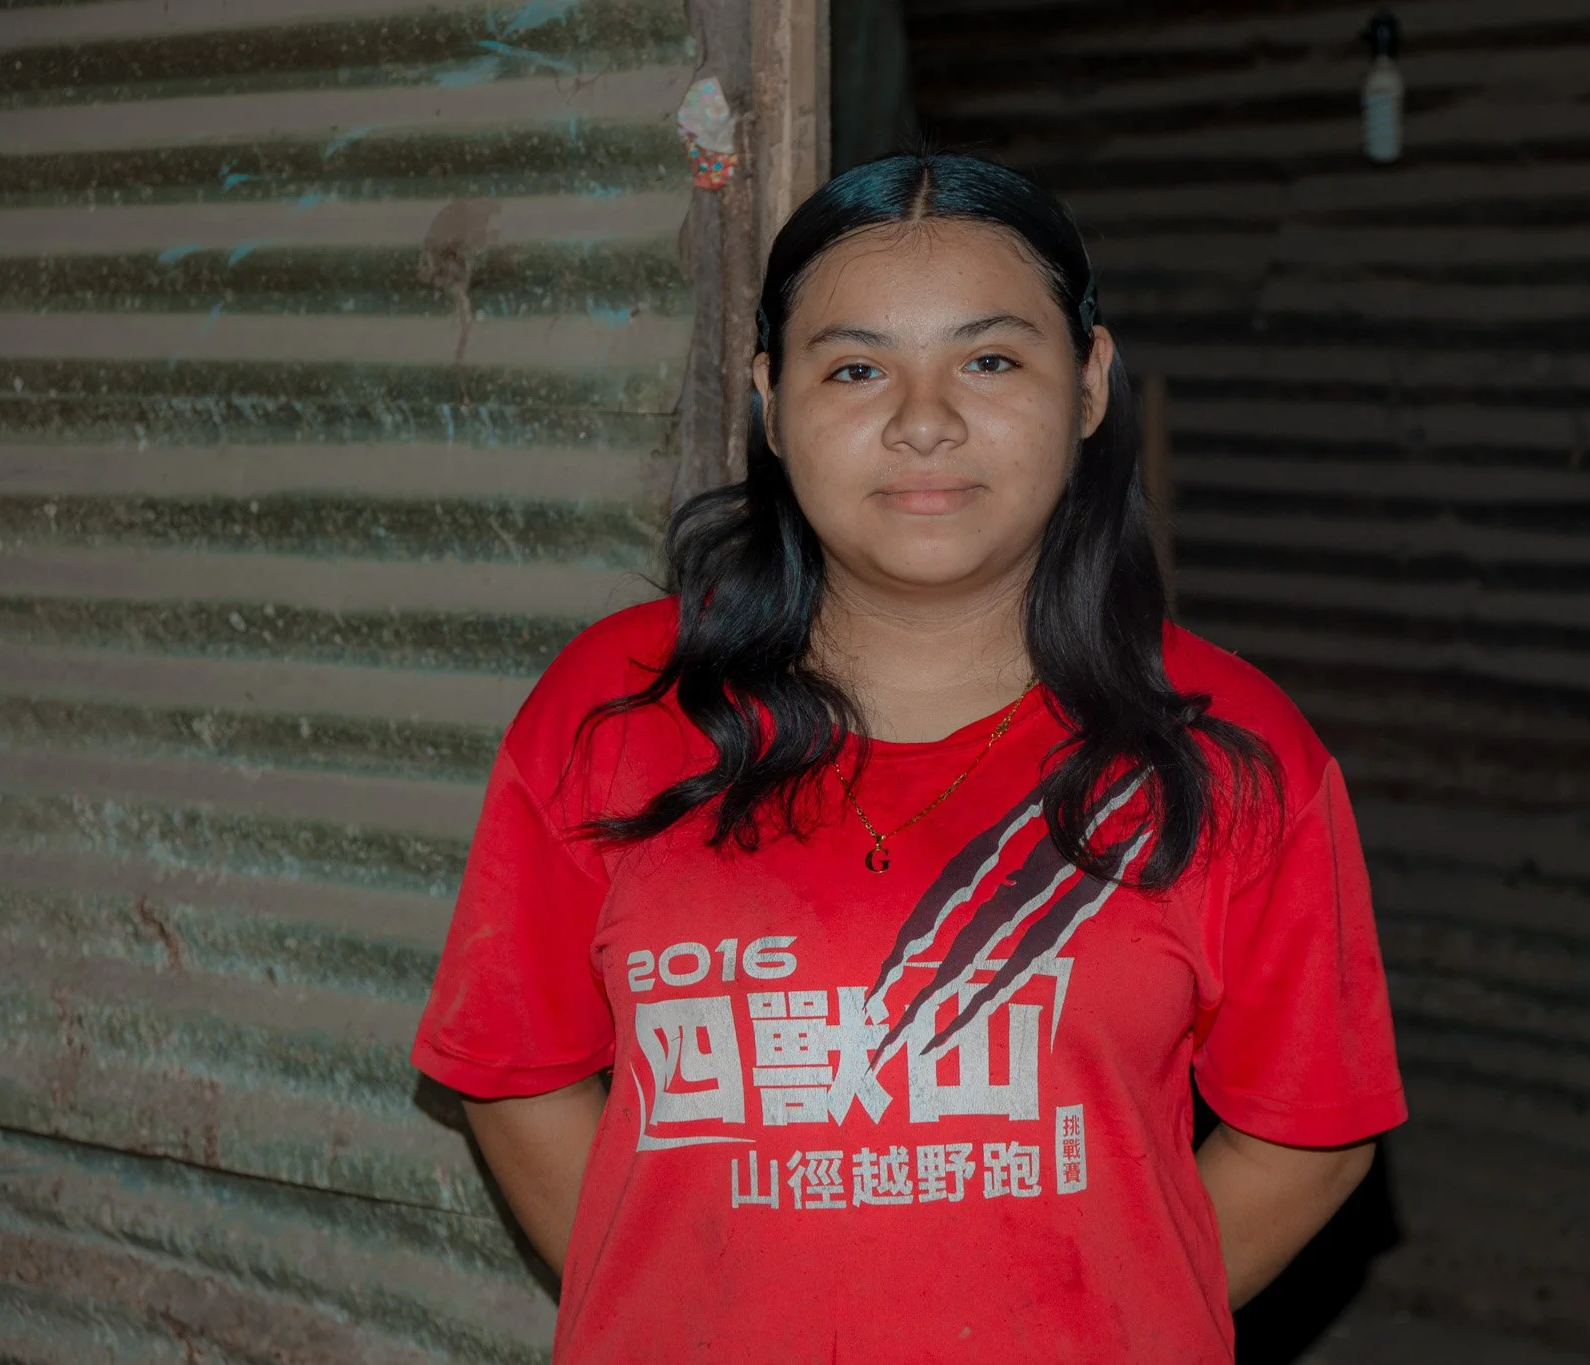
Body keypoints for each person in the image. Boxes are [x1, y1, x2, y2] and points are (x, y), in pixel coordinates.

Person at [412, 151, 1405, 1363]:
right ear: (770, 400)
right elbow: (514, 1069)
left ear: (1089, 383)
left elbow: (1306, 1135)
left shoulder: (1227, 751)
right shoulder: (613, 711)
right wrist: (694, 1317)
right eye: (855, 368)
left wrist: (1099, 1323)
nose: (922, 422)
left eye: (989, 361)